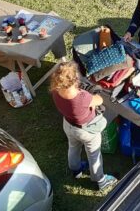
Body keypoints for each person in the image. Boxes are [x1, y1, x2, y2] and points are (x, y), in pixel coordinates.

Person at [49, 61, 117, 191]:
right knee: (94, 155)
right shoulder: (82, 97)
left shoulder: (55, 91)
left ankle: (76, 169)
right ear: (76, 79)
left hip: (68, 125)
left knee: (73, 147)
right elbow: (99, 100)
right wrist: (93, 92)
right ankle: (100, 181)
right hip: (86, 131)